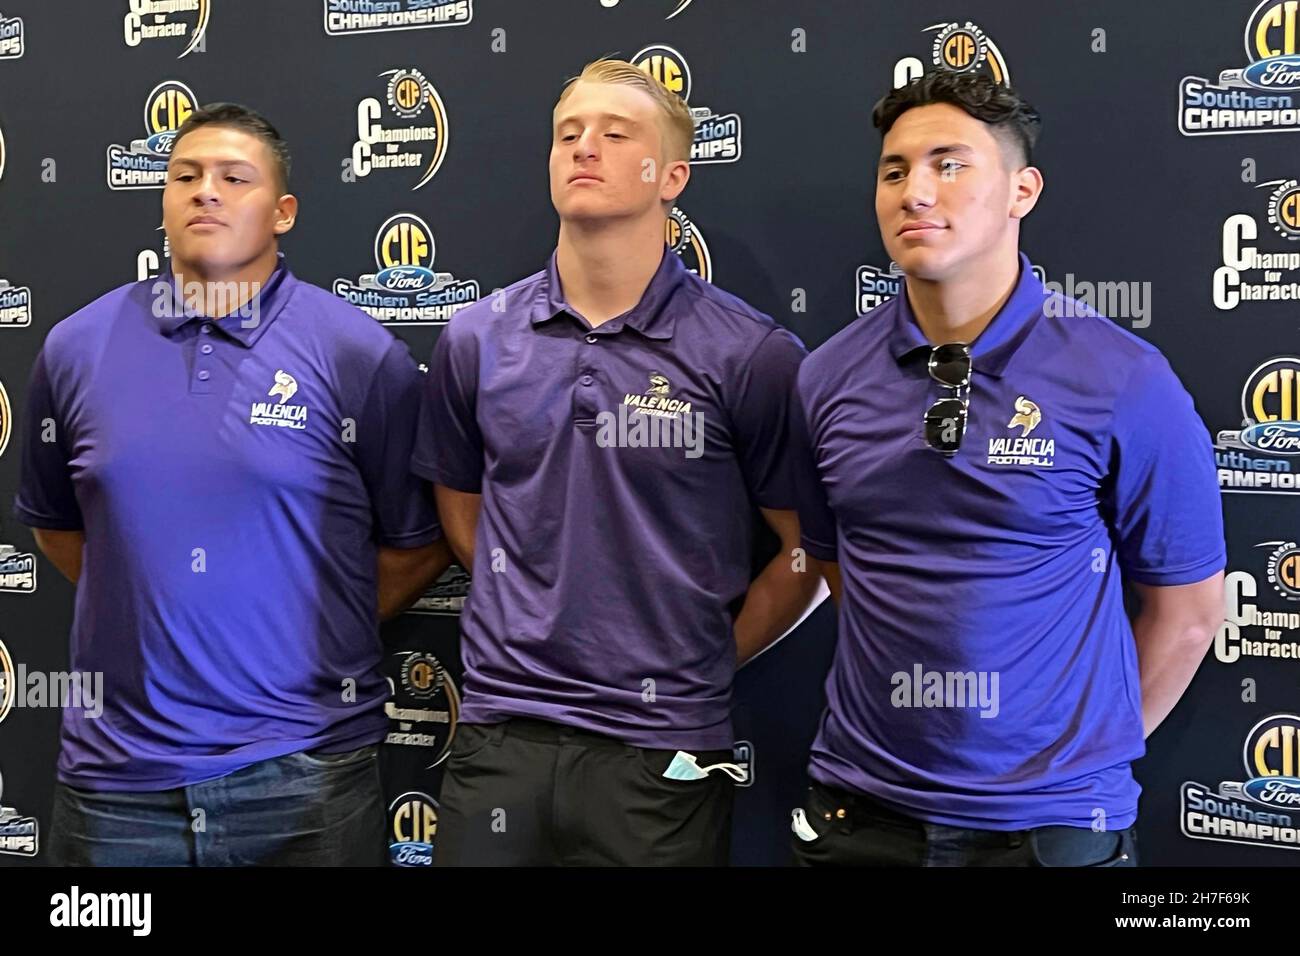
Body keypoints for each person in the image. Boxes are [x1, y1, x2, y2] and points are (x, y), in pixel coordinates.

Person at [789, 71, 1226, 867]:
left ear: (1022, 191)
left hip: (1049, 832)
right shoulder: (825, 378)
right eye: (895, 171)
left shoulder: (1123, 378)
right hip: (858, 813)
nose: (916, 191)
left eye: (950, 164)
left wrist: (1076, 757)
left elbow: (1190, 610)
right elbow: (838, 567)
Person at [13, 103, 450, 866]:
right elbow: (58, 527)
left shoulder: (358, 355)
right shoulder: (75, 348)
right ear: (162, 202)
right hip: (115, 783)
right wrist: (159, 604)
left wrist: (307, 633)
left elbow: (417, 544)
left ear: (283, 212)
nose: (204, 192)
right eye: (185, 175)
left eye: (233, 177)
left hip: (303, 771)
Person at [413, 59, 820, 866]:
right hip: (500, 736)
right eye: (568, 133)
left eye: (614, 133)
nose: (584, 148)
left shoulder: (750, 354)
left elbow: (806, 549)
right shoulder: (476, 337)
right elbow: (459, 498)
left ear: (672, 175)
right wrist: (521, 591)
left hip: (660, 752)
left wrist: (707, 657)